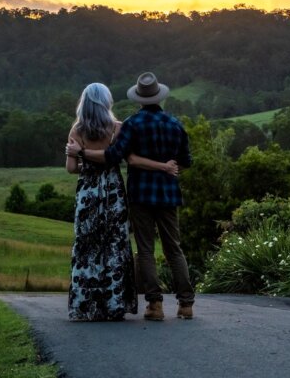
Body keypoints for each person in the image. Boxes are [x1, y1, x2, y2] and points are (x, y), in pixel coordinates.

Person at [67, 72, 195, 321]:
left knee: (145, 250)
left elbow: (115, 156)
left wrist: (82, 152)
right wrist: (167, 165)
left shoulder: (132, 124)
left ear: (139, 99)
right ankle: (186, 304)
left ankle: (155, 305)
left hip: (140, 194)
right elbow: (187, 161)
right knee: (174, 249)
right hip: (168, 194)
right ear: (160, 97)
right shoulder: (175, 124)